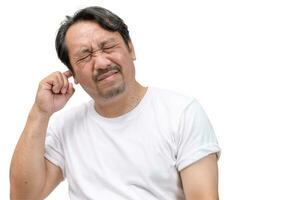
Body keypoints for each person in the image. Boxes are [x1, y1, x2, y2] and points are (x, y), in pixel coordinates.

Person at [10, 6, 221, 200]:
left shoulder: (181, 113)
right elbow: (23, 197)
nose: (101, 63)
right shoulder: (65, 125)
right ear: (72, 74)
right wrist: (40, 113)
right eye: (85, 56)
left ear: (131, 49)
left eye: (108, 47)